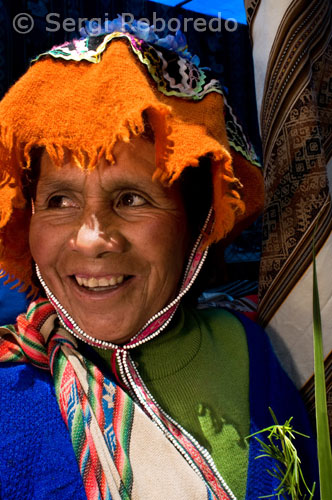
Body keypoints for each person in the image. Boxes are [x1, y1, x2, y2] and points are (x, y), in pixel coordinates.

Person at [0, 21, 317, 500]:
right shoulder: (9, 393)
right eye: (59, 200)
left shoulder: (245, 346)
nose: (90, 240)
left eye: (130, 199)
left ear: (196, 223)